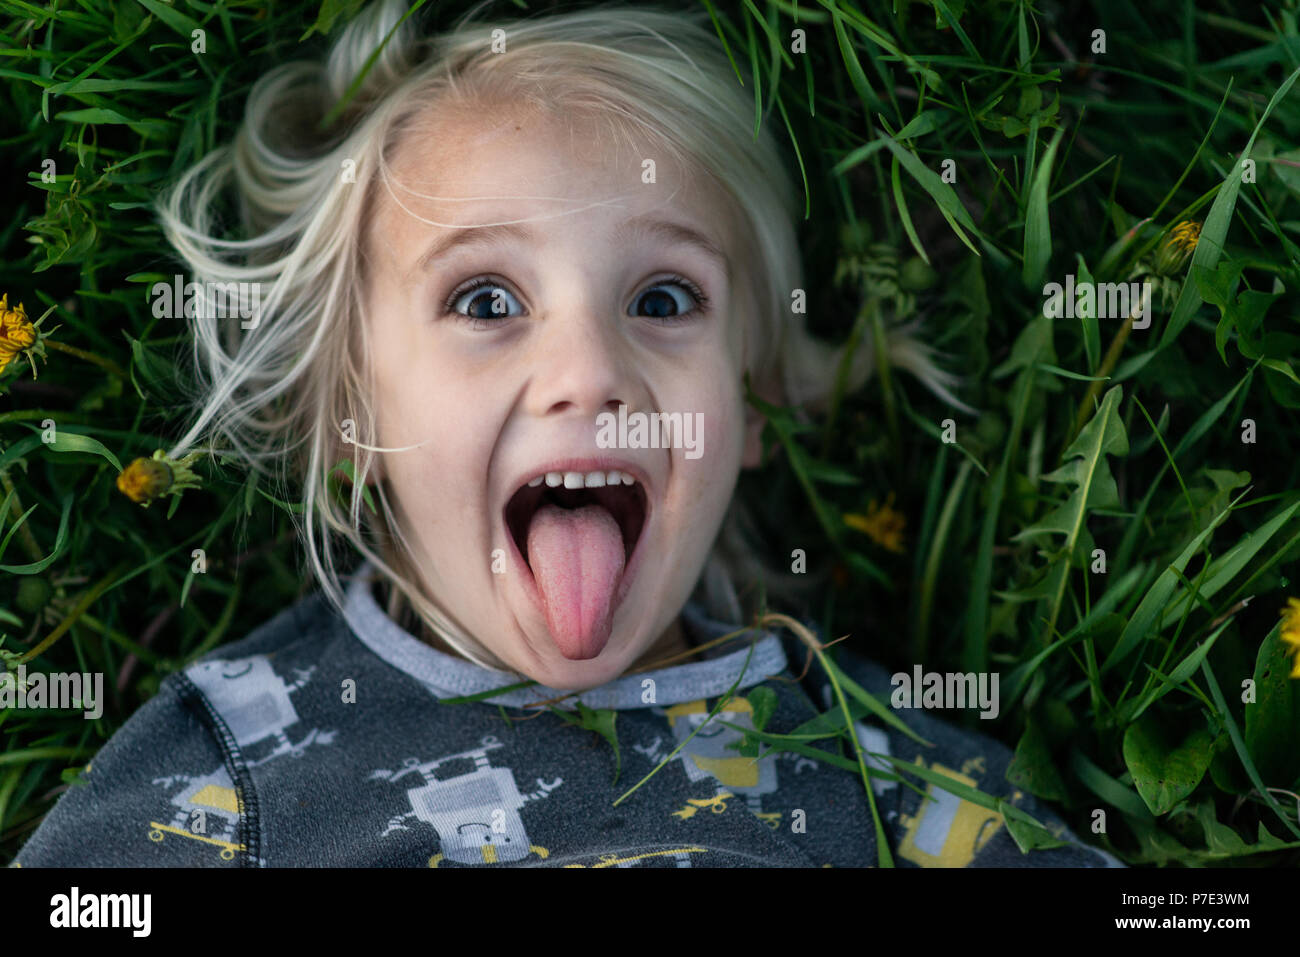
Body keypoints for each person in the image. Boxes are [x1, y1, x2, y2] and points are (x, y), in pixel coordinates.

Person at [13, 1, 1122, 868]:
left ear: (753, 403)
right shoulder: (240, 760)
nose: (591, 371)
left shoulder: (895, 773)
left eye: (663, 299)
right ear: (346, 413)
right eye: (487, 302)